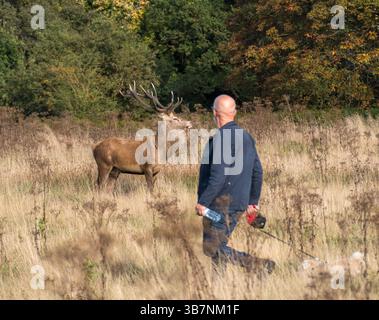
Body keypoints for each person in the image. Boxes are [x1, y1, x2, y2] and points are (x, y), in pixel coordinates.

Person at [195, 95, 275, 274]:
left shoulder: (219, 139)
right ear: (234, 113)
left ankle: (258, 265)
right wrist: (252, 202)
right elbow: (257, 171)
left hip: (219, 205)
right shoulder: (246, 137)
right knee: (218, 248)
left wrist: (203, 202)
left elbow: (218, 177)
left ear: (215, 113)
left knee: (212, 248)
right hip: (239, 204)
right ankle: (219, 289)